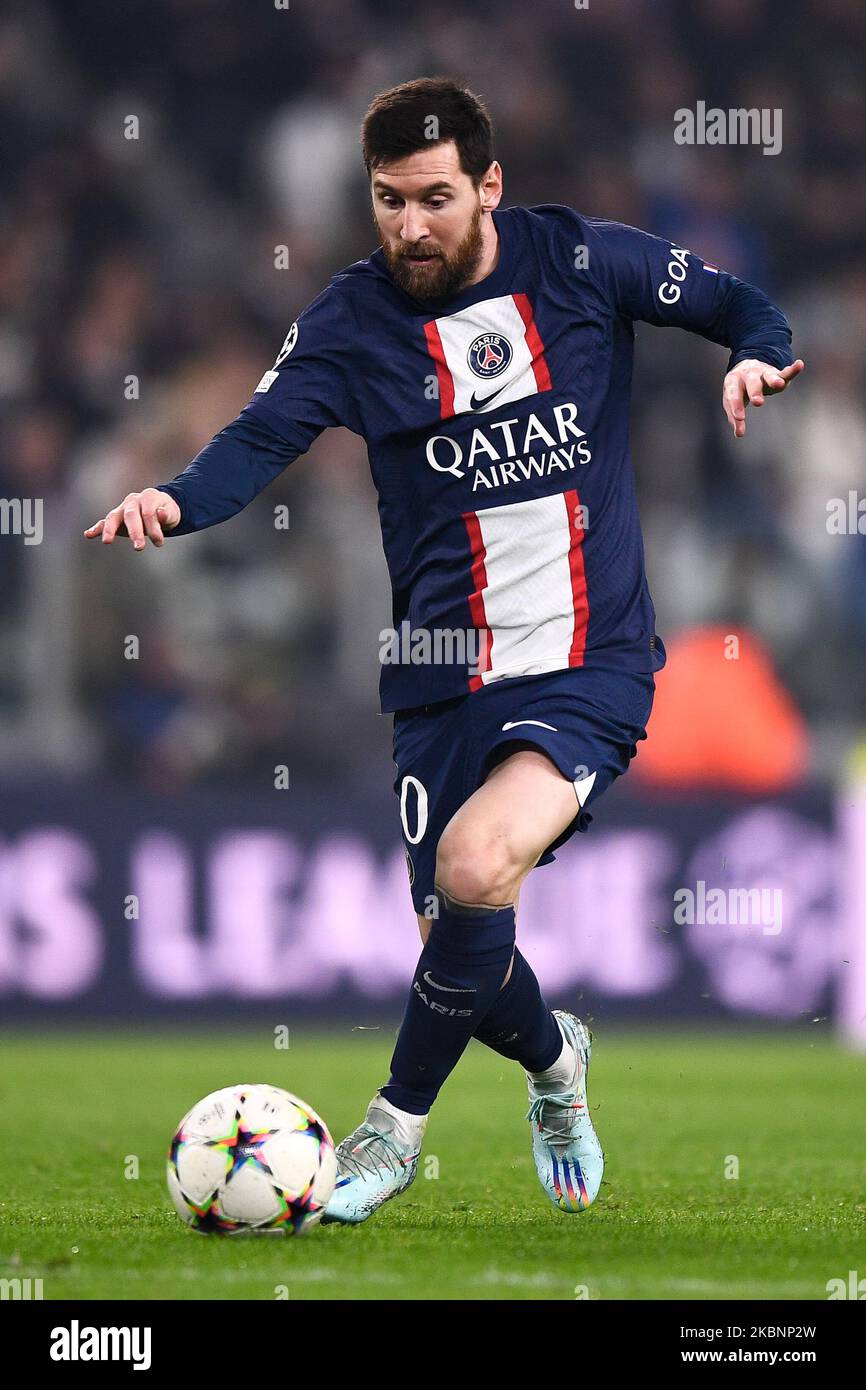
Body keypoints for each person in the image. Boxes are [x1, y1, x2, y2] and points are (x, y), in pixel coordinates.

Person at [85, 76, 804, 1224]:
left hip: (587, 657)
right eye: (388, 200)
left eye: (432, 198)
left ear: (488, 186)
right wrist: (176, 499)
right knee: (457, 940)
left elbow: (738, 303)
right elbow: (260, 436)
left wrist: (750, 356)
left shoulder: (581, 261)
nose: (410, 225)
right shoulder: (349, 321)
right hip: (437, 672)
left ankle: (392, 1127)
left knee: (475, 868)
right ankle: (556, 1062)